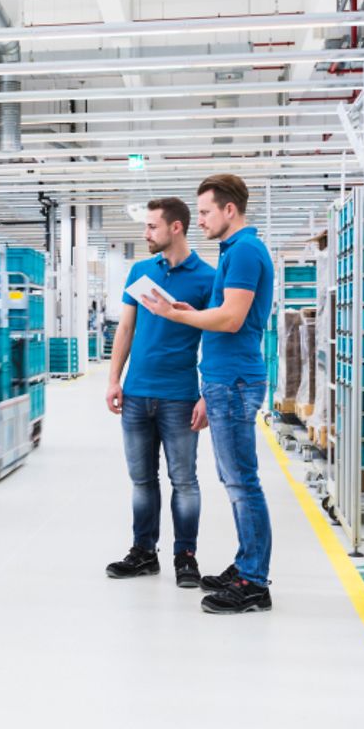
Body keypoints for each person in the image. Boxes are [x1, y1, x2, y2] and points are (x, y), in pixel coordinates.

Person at [140, 174, 275, 615]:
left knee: (241, 483)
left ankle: (254, 582)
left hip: (234, 381)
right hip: (225, 378)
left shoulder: (246, 252)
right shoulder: (235, 251)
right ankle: (245, 566)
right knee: (233, 479)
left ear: (228, 210)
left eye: (204, 212)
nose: (198, 221)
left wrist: (178, 319)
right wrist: (189, 311)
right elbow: (223, 313)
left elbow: (233, 320)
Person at [104, 198, 216, 587]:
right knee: (141, 480)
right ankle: (143, 552)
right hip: (136, 394)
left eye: (152, 226)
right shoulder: (139, 271)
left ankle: (185, 556)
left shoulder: (207, 278)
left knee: (184, 481)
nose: (145, 233)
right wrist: (114, 379)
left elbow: (216, 339)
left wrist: (206, 395)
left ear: (176, 228)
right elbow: (125, 329)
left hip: (180, 395)